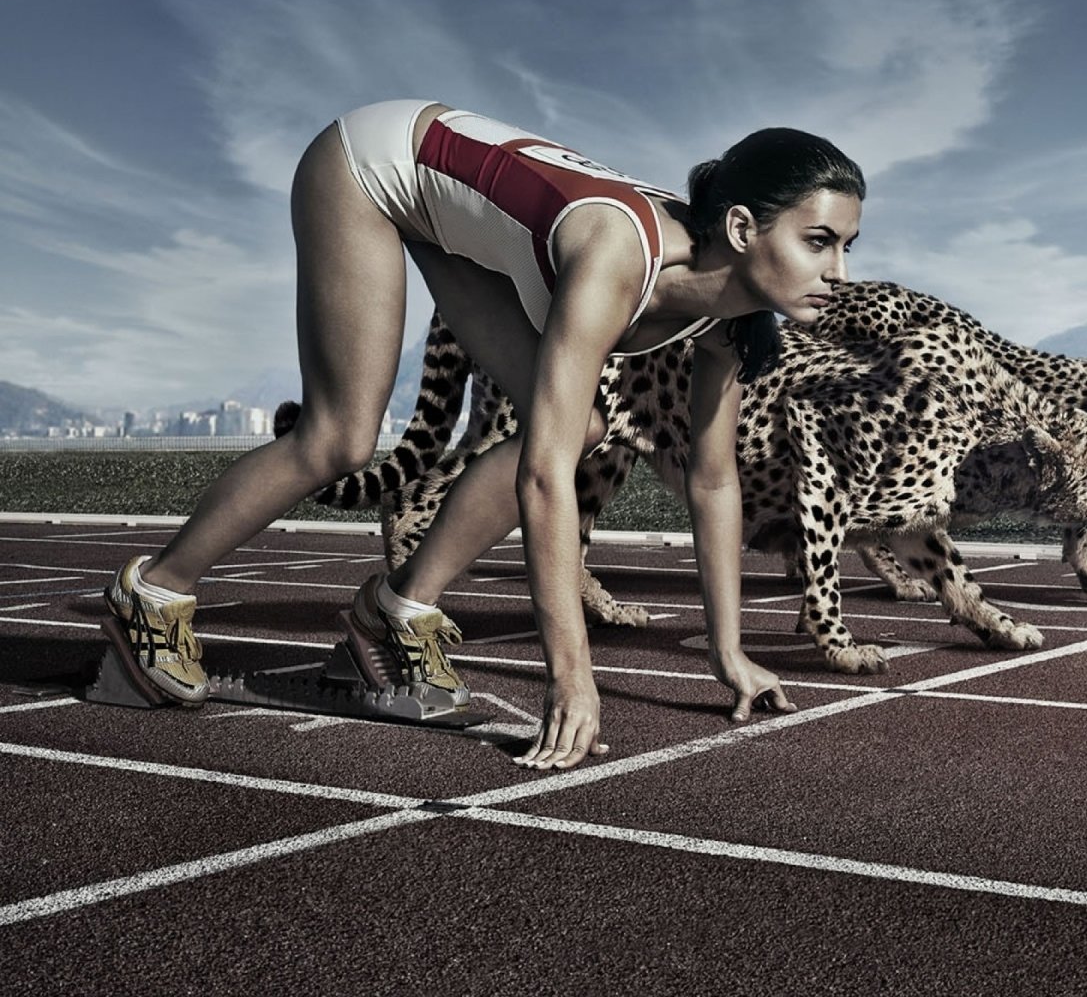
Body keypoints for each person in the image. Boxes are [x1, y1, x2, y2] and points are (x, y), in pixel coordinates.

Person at [101, 100, 864, 770]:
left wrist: (729, 653)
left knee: (583, 423)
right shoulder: (619, 256)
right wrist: (571, 678)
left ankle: (392, 615)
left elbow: (713, 479)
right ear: (740, 227)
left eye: (846, 247)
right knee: (340, 437)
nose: (838, 272)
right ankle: (152, 594)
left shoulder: (731, 321)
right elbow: (544, 478)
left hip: (447, 208)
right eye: (818, 241)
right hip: (372, 164)